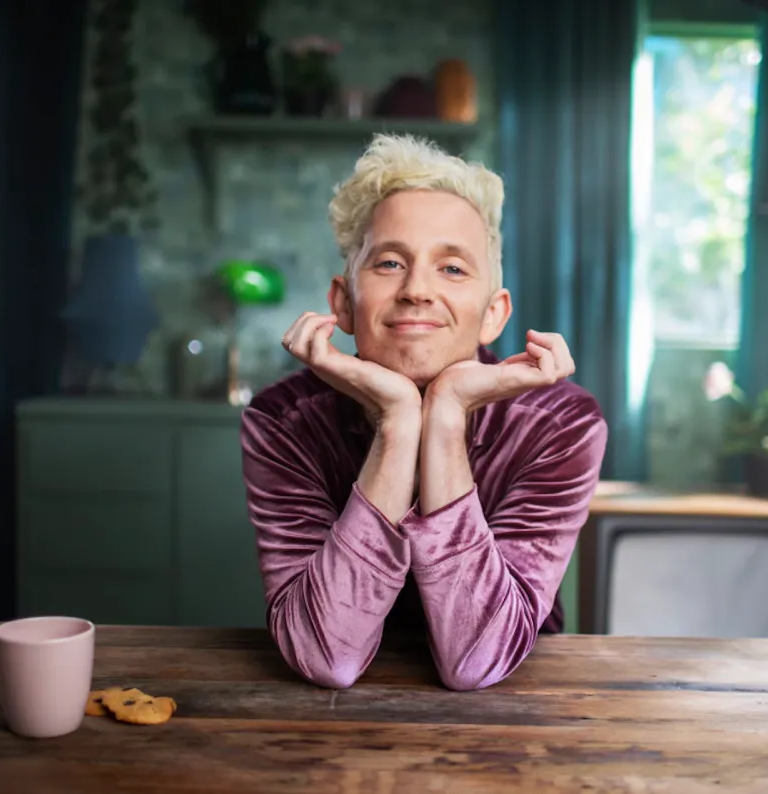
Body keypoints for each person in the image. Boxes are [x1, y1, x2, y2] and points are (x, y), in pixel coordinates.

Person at [238, 134, 608, 691]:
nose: (417, 290)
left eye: (453, 269)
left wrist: (447, 416)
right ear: (342, 302)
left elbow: (477, 662)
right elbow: (324, 654)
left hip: (513, 719)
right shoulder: (282, 422)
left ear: (493, 314)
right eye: (389, 262)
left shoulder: (560, 426)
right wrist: (398, 423)